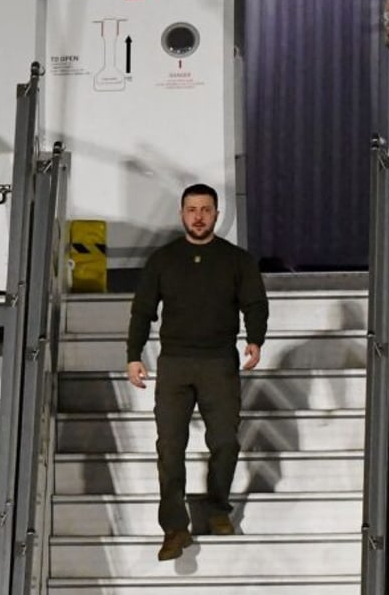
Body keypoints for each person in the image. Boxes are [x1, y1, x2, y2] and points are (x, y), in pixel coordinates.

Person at [126, 183, 269, 562]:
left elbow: (255, 303)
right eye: (192, 209)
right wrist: (133, 354)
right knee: (170, 447)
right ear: (182, 213)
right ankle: (175, 527)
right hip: (174, 364)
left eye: (206, 209)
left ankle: (218, 508)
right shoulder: (163, 259)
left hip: (219, 363)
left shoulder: (237, 260)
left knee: (225, 441)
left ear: (217, 214)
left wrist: (256, 339)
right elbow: (142, 309)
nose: (199, 216)